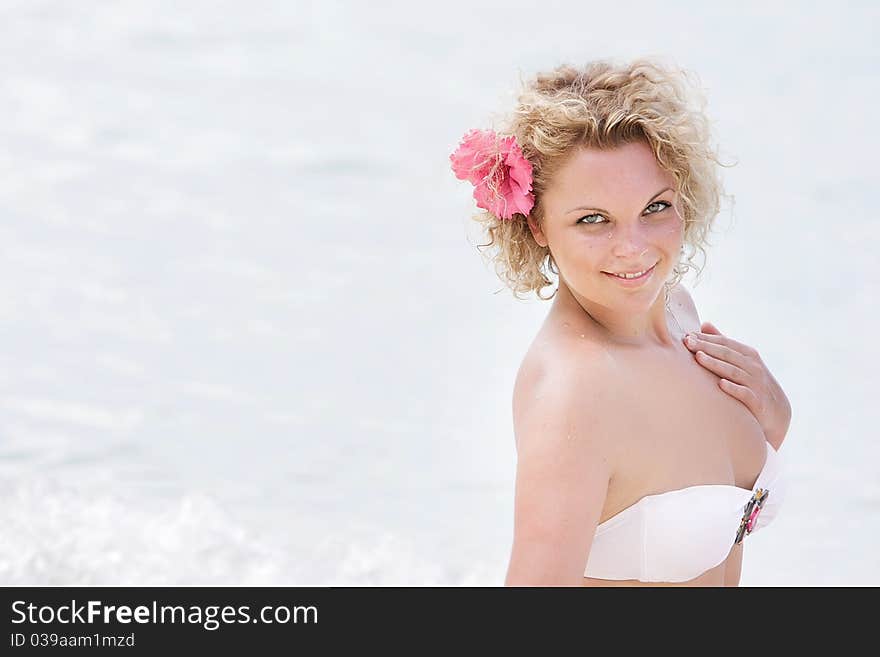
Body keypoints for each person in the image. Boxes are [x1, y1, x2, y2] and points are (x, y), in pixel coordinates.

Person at [449, 58, 792, 586]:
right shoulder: (574, 395)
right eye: (593, 220)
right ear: (536, 224)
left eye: (655, 207)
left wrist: (773, 419)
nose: (633, 249)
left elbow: (711, 502)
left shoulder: (680, 313)